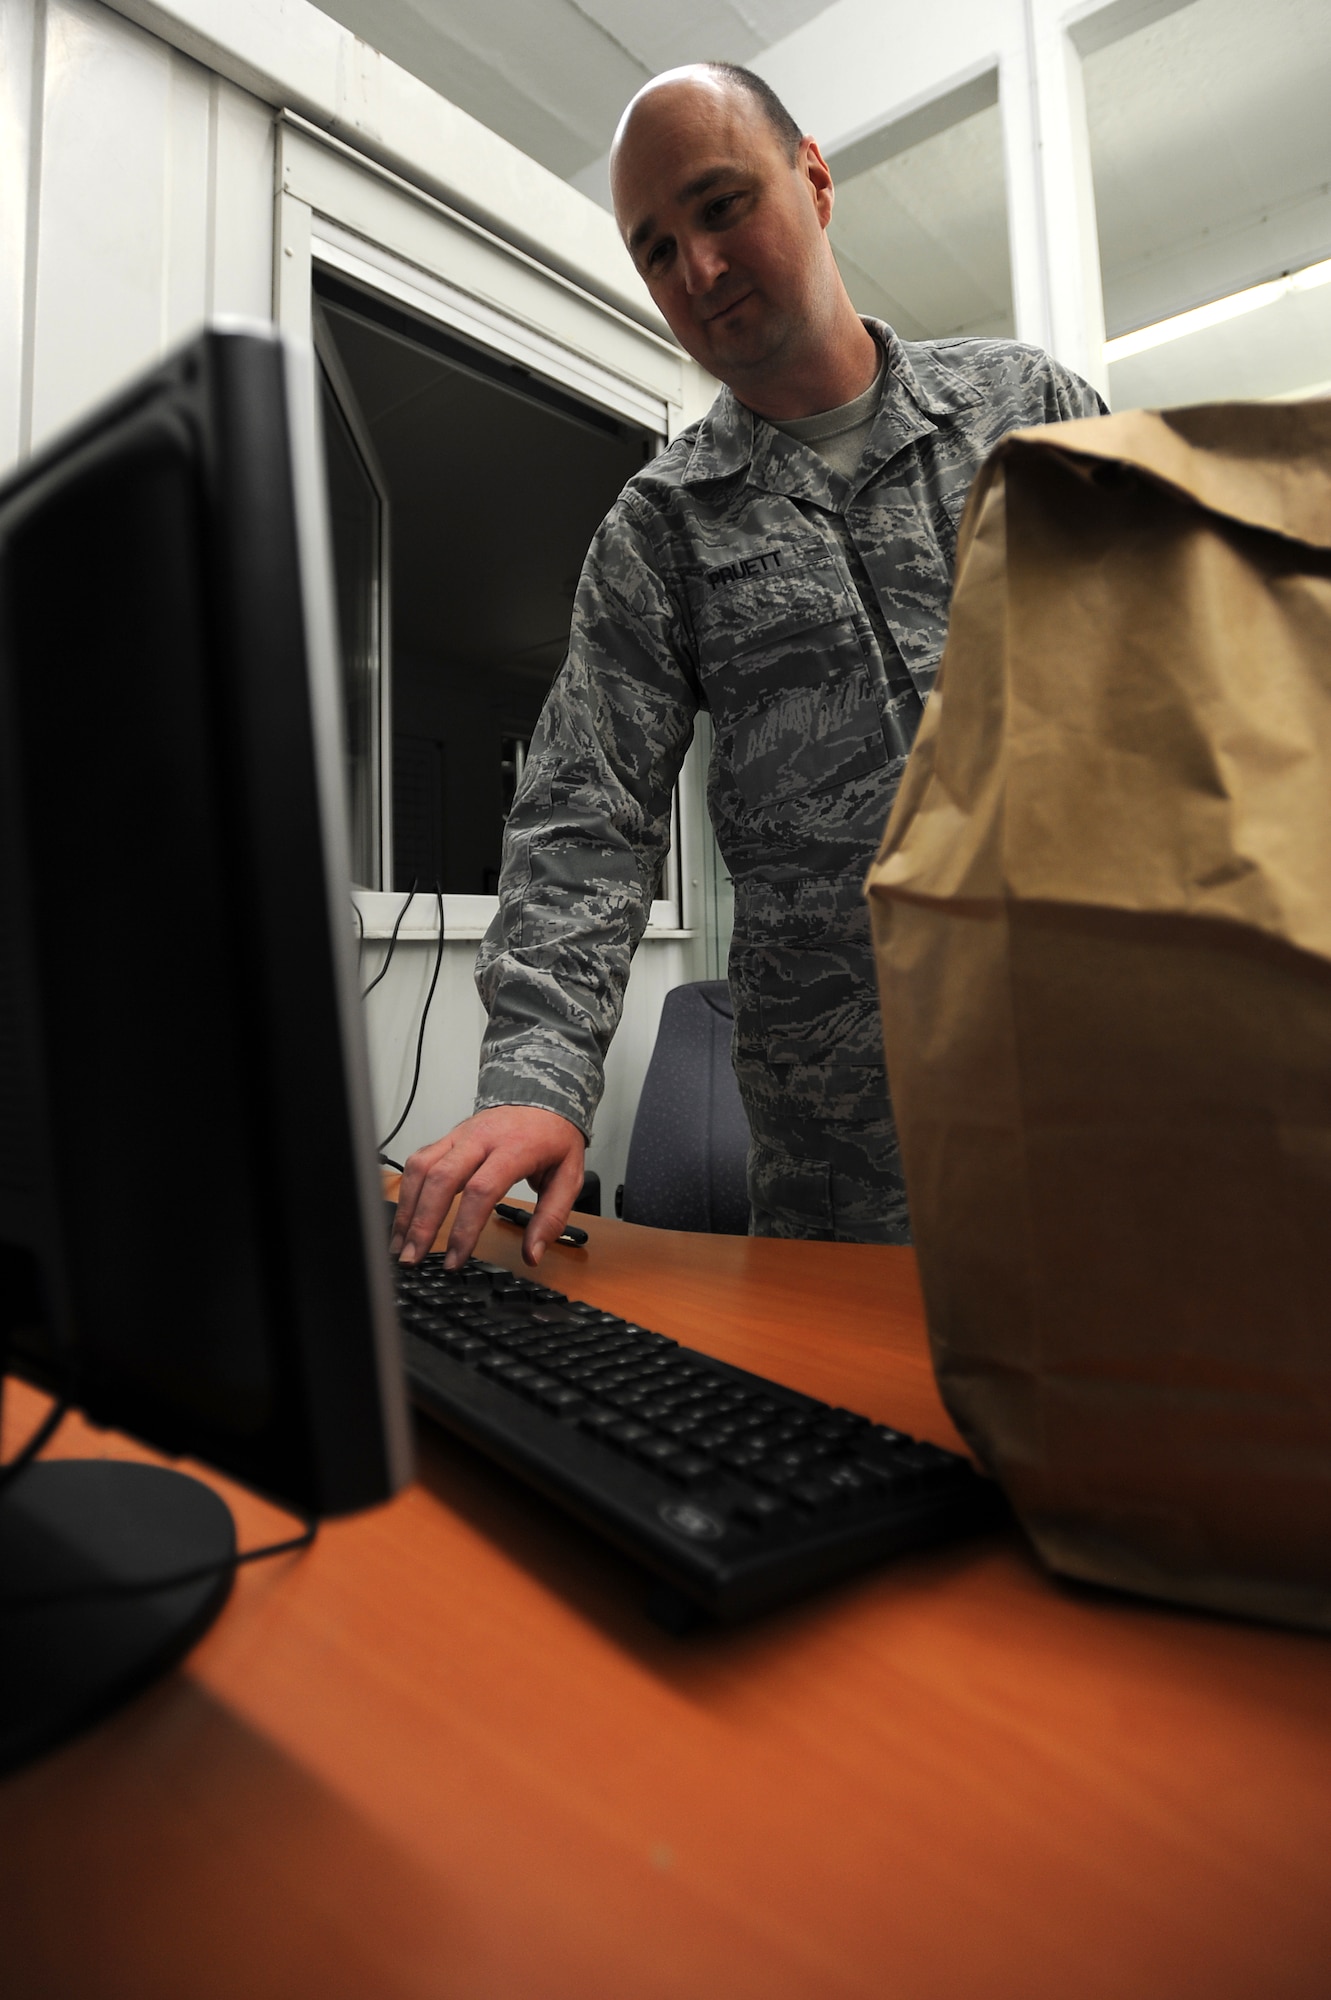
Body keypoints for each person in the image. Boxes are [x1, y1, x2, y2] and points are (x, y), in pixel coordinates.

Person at [391, 61, 1106, 1269]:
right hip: (853, 1160)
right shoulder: (660, 528)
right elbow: (585, 816)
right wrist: (538, 1075)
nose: (699, 272)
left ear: (814, 180)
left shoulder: (1024, 411)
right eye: (657, 250)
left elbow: (1178, 688)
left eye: (721, 208)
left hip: (1110, 1086)